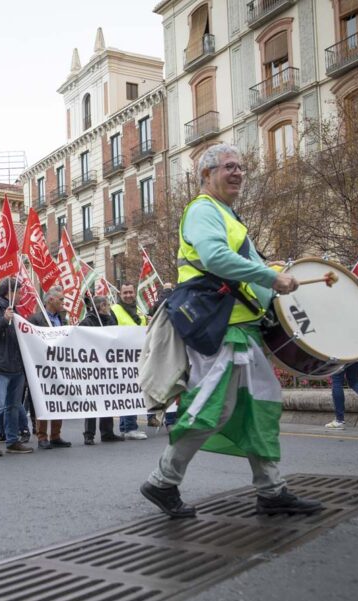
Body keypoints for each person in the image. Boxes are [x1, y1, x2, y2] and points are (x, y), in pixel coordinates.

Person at [140, 144, 322, 519]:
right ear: (206, 176)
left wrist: (272, 283)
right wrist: (272, 277)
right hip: (222, 331)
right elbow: (216, 259)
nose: (237, 172)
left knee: (261, 407)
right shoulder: (203, 209)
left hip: (242, 328)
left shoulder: (227, 214)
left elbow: (241, 264)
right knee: (212, 408)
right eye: (228, 167)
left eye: (241, 166)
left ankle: (271, 491)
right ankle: (162, 481)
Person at [0, 276, 33, 457]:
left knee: (13, 405)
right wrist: (3, 320)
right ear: (9, 293)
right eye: (19, 292)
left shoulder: (18, 313)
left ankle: (12, 441)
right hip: (0, 366)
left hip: (16, 366)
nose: (21, 295)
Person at [28, 287, 72, 450]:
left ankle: (55, 435)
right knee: (44, 400)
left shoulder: (63, 319)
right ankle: (42, 436)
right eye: (61, 299)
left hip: (59, 366)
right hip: (42, 367)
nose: (63, 302)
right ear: (50, 300)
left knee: (58, 399)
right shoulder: (35, 319)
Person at [80, 295, 124, 445]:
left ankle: (107, 432)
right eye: (107, 305)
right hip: (93, 368)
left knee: (108, 399)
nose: (109, 307)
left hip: (108, 367)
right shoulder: (87, 322)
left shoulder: (111, 320)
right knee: (92, 401)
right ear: (101, 306)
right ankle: (89, 434)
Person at [111, 283, 150, 439]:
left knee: (131, 392)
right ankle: (130, 427)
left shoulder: (139, 311)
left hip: (137, 359)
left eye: (131, 292)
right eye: (125, 292)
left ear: (135, 293)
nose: (128, 295)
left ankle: (125, 427)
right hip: (122, 359)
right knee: (128, 392)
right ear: (120, 294)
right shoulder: (115, 310)